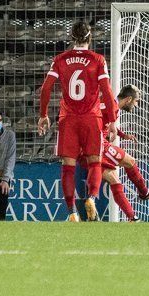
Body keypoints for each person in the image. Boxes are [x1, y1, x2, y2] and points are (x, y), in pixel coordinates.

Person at [38, 21, 117, 222]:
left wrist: (43, 114)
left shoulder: (61, 59)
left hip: (69, 119)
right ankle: (91, 198)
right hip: (91, 118)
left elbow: (46, 88)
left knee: (68, 166)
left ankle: (72, 212)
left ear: (71, 38)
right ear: (90, 38)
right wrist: (113, 121)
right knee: (94, 162)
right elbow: (107, 91)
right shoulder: (97, 59)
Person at [82, 84, 149, 222]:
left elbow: (106, 121)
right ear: (128, 99)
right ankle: (144, 192)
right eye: (136, 102)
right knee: (130, 161)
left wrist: (123, 135)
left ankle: (132, 217)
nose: (136, 105)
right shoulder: (110, 106)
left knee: (114, 179)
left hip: (83, 150)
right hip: (97, 145)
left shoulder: (108, 105)